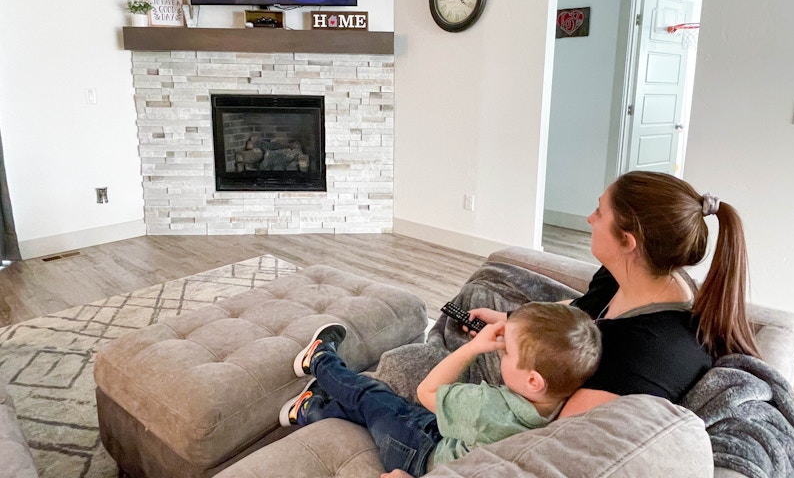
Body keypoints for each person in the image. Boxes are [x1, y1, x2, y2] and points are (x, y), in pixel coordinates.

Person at [468, 170, 760, 418]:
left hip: (522, 403)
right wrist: (511, 319)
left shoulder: (647, 351)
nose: (589, 219)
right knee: (477, 292)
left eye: (600, 212)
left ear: (628, 241)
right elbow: (581, 308)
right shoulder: (625, 273)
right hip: (529, 368)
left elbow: (552, 438)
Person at [279, 301, 601, 477]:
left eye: (506, 352)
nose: (498, 351)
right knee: (380, 409)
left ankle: (319, 359)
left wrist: (473, 347)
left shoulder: (485, 408)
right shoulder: (564, 405)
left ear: (533, 381)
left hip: (418, 453)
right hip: (446, 442)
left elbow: (427, 391)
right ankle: (309, 408)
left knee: (371, 395)